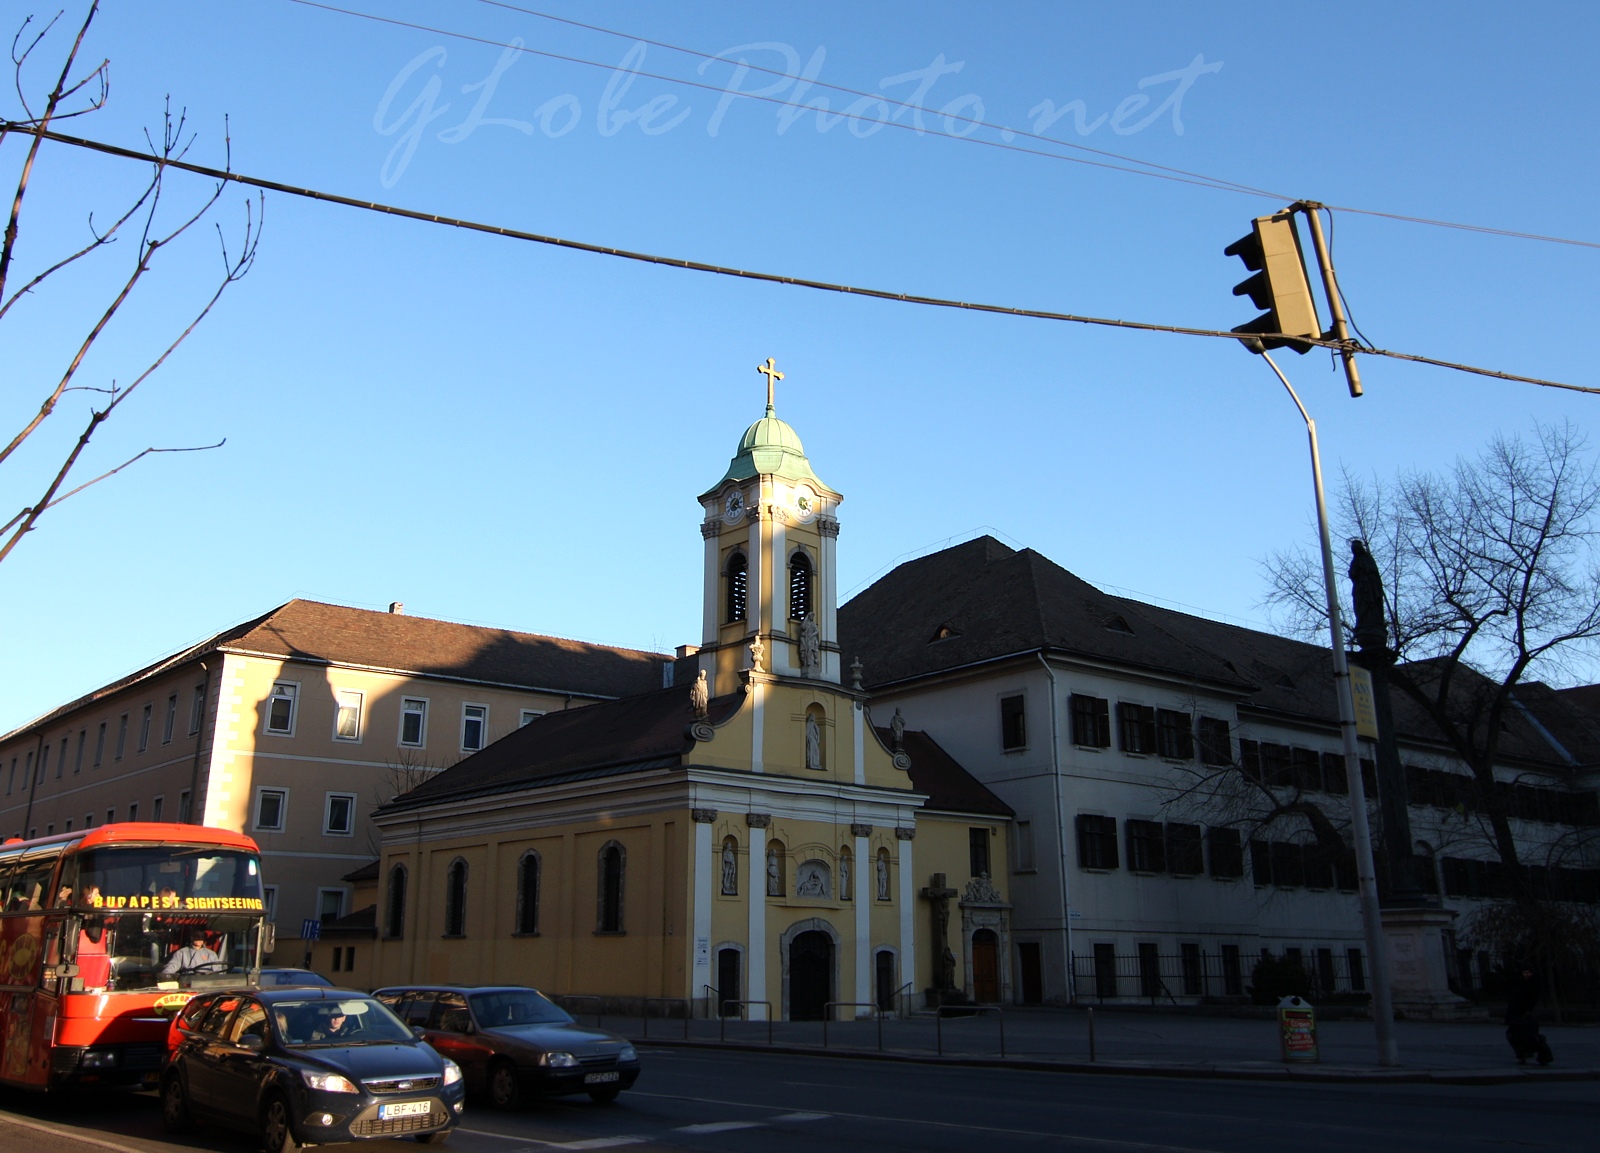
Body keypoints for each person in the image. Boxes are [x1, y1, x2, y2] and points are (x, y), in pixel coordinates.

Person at [1505, 965, 1554, 1066]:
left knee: (1522, 1034)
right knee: (1517, 1035)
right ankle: (1524, 1054)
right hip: (1517, 1013)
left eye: (1528, 973)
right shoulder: (1522, 983)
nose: (1526, 975)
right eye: (1524, 973)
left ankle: (1525, 1054)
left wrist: (1528, 1010)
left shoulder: (1532, 984)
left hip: (1523, 1013)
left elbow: (1532, 999)